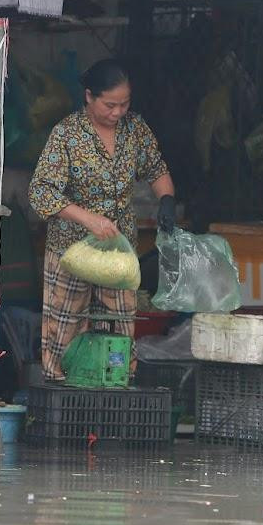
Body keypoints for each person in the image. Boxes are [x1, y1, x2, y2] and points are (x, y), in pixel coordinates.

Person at [29, 60, 175, 383]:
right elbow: (41, 191)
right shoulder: (66, 135)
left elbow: (156, 169)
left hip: (116, 254)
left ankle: (116, 388)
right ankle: (62, 392)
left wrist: (166, 199)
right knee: (65, 328)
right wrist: (88, 219)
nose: (118, 112)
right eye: (110, 104)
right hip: (71, 249)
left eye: (124, 104)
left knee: (120, 327)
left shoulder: (135, 130)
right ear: (89, 97)